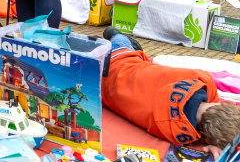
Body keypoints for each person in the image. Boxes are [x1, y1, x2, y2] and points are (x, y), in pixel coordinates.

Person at [102, 27, 240, 155]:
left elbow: (214, 102)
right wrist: (212, 143)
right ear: (206, 137)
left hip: (120, 61)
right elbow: (199, 130)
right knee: (120, 45)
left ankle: (120, 38)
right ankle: (120, 39)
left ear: (223, 104)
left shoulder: (202, 79)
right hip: (103, 81)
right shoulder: (175, 132)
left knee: (119, 42)